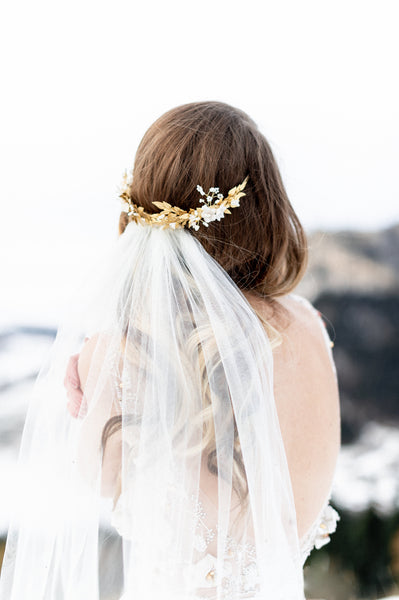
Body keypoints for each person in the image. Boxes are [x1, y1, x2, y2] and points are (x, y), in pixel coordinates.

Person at [0, 101, 340, 600]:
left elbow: (98, 482)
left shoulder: (123, 353)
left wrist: (93, 393)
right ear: (265, 209)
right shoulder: (310, 327)